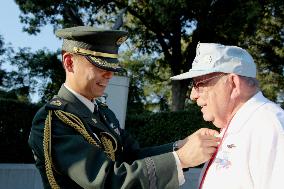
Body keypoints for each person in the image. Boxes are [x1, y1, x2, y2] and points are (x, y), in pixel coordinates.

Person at [28, 26, 220, 189]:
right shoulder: (54, 121)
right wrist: (179, 159)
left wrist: (180, 146)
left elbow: (131, 157)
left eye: (112, 68)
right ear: (69, 62)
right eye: (100, 66)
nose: (109, 75)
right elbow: (106, 180)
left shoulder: (103, 113)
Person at [171, 43, 284, 189]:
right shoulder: (240, 125)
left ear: (233, 84)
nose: (193, 95)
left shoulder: (270, 127)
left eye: (199, 84)